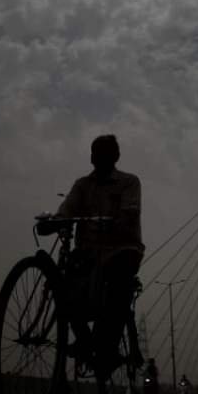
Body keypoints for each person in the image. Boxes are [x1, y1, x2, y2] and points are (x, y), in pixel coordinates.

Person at [56, 134, 144, 375]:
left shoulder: (129, 182)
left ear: (115, 157)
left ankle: (107, 349)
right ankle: (84, 339)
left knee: (118, 285)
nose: (97, 157)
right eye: (94, 152)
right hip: (88, 254)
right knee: (63, 289)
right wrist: (56, 221)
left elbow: (131, 211)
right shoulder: (82, 185)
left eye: (103, 153)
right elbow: (67, 209)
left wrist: (118, 221)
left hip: (122, 250)